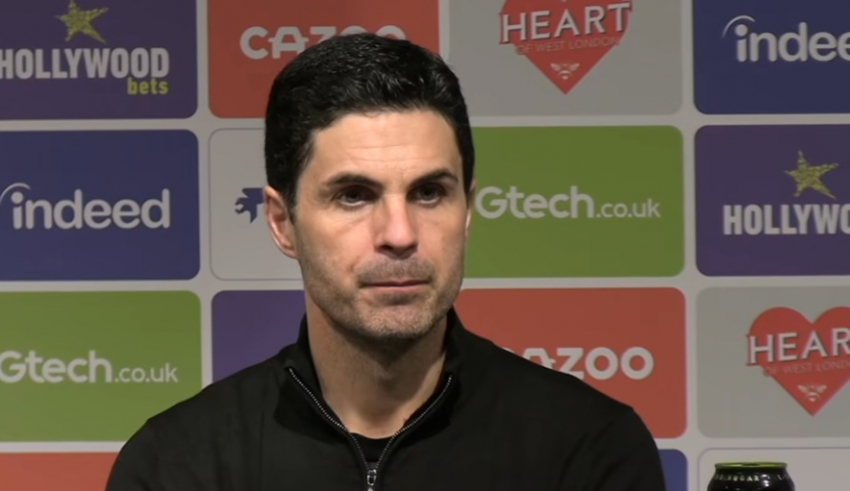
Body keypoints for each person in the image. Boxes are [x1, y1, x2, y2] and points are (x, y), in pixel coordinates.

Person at [105, 33, 667, 491]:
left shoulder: (588, 450)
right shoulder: (177, 464)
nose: (399, 234)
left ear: (467, 210)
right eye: (354, 195)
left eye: (429, 193)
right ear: (282, 222)